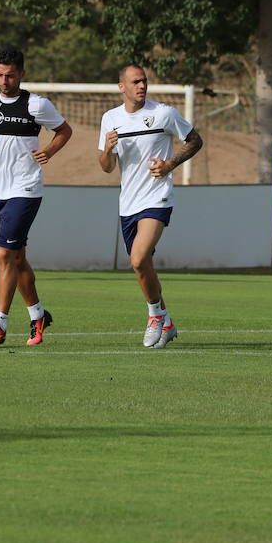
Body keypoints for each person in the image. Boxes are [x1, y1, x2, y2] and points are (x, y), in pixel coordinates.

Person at [0, 47, 72, 347]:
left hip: (25, 189)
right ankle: (38, 315)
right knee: (16, 257)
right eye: (0, 74)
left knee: (3, 254)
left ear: (22, 74)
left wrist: (49, 150)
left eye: (10, 75)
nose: (4, 80)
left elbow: (65, 130)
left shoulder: (36, 104)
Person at [99, 64, 203, 349]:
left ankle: (154, 317)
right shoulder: (110, 119)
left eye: (144, 81)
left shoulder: (164, 113)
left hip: (157, 198)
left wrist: (170, 164)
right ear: (122, 86)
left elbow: (195, 141)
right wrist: (107, 149)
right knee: (142, 267)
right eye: (135, 82)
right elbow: (107, 167)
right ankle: (166, 321)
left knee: (137, 259)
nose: (141, 86)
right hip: (127, 203)